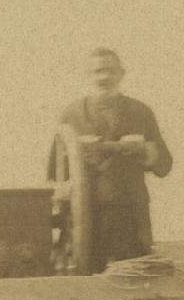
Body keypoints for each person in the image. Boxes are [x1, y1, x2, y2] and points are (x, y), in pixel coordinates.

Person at [52, 48, 173, 273]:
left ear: (121, 74)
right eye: (97, 71)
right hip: (86, 218)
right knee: (86, 280)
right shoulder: (71, 115)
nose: (104, 77)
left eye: (110, 71)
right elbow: (56, 174)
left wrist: (146, 151)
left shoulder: (140, 112)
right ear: (87, 75)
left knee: (135, 278)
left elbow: (164, 165)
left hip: (130, 215)